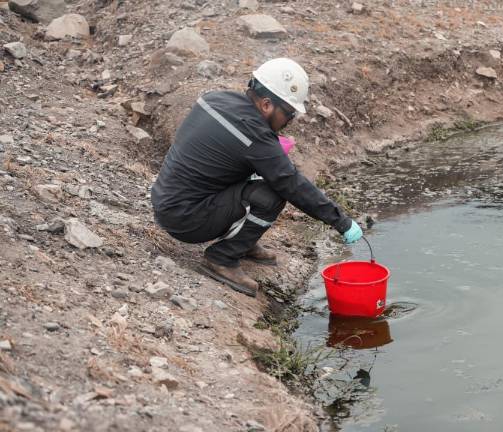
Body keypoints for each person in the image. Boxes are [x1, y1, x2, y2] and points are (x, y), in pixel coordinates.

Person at [150, 58, 363, 297]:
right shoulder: (254, 135)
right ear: (266, 104)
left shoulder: (215, 99)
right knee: (271, 195)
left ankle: (243, 242)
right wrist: (341, 222)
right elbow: (292, 184)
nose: (289, 122)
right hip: (185, 219)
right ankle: (223, 257)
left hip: (167, 199)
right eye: (289, 114)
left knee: (258, 176)